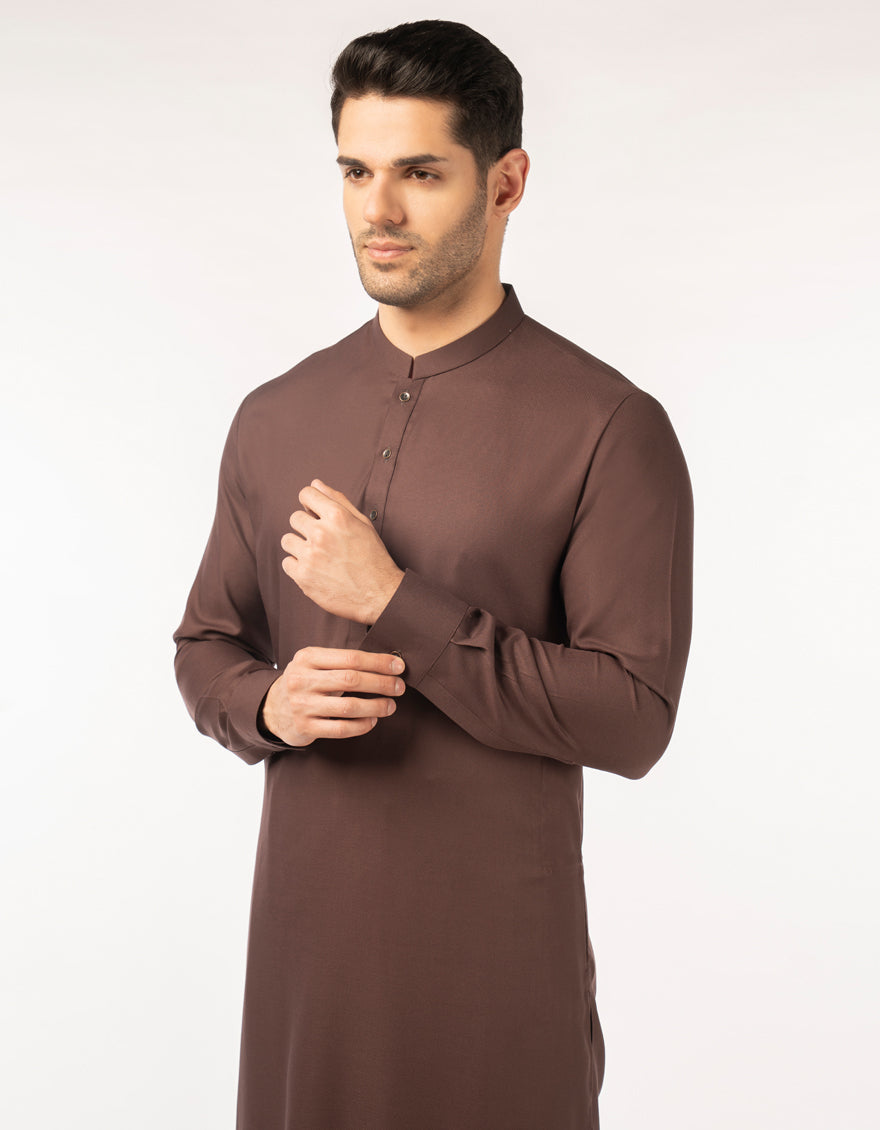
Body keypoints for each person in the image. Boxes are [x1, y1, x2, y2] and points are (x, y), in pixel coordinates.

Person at [173, 18, 693, 1130]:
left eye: (419, 173)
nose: (379, 210)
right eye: (355, 171)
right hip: (305, 978)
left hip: (496, 986)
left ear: (506, 184)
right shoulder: (274, 414)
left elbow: (633, 718)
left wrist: (396, 601)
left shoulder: (607, 425)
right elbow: (207, 643)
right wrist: (265, 704)